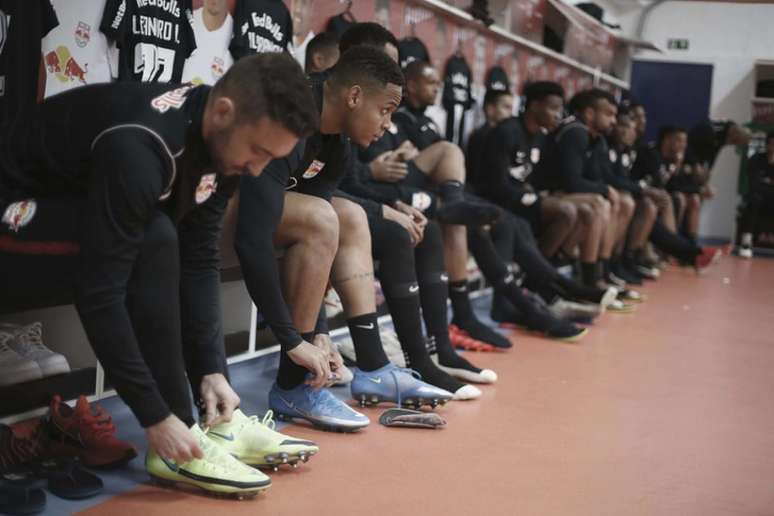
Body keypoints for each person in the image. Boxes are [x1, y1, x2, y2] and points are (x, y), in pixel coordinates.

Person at [0, 53, 319, 496]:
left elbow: (200, 257)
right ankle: (176, 437)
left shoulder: (224, 146)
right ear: (224, 111)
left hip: (70, 204)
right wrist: (155, 416)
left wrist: (211, 370)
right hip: (15, 206)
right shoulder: (142, 145)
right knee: (155, 238)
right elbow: (100, 293)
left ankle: (201, 424)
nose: (259, 168)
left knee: (165, 238)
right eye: (260, 151)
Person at [236, 45, 454, 433]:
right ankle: (292, 383)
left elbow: (321, 241)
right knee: (323, 216)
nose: (388, 124)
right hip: (212, 210)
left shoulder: (337, 142)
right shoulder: (291, 111)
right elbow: (252, 239)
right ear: (354, 96)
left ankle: (371, 366)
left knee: (347, 215)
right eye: (385, 110)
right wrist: (292, 341)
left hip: (260, 217)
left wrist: (318, 331)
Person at [739, 130, 774, 258]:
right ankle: (746, 243)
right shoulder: (756, 159)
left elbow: (762, 183)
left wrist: (766, 182)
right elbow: (755, 184)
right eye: (772, 144)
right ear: (767, 145)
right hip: (759, 198)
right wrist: (769, 184)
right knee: (754, 199)